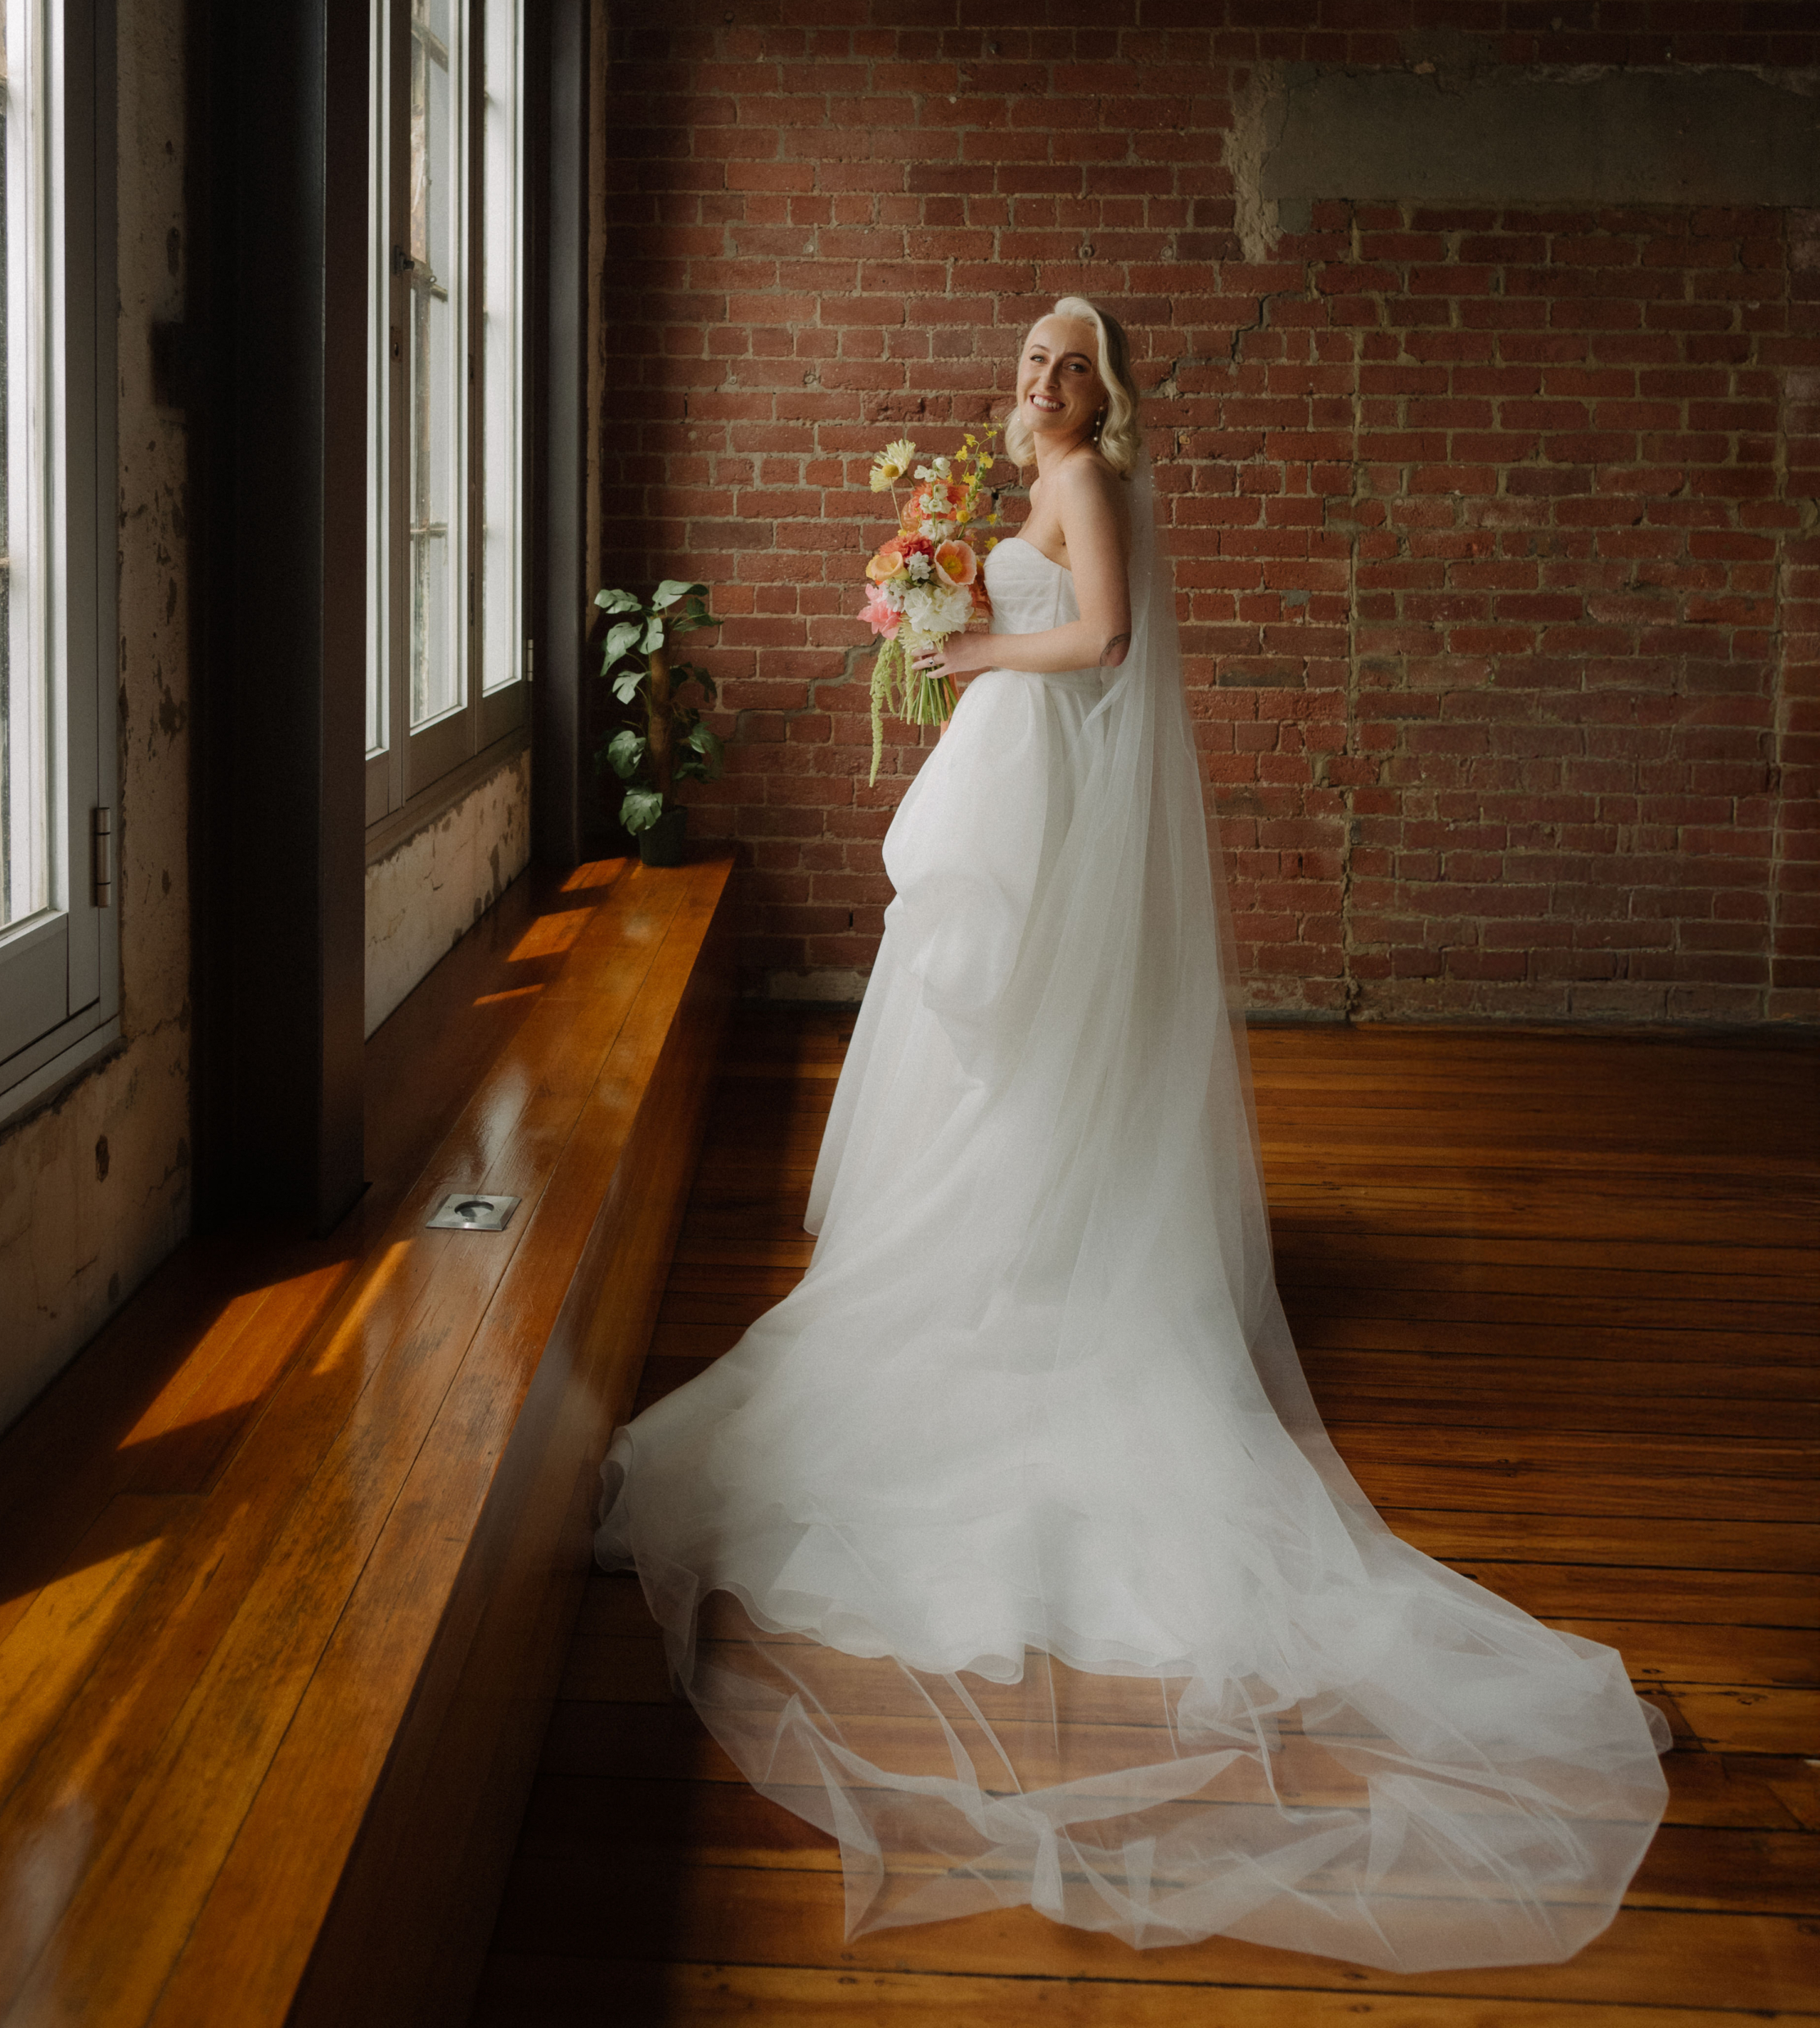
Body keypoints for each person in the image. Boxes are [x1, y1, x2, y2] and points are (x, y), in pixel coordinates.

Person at [595, 296, 1669, 1967]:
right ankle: (1008, 1234)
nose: (1046, 385)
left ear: (1107, 391)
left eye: (1071, 367)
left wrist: (964, 646)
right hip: (1023, 787)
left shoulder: (1092, 484)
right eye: (1032, 363)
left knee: (1025, 1056)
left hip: (1048, 782)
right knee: (993, 1057)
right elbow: (1044, 627)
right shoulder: (1026, 477)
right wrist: (936, 601)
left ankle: (1032, 1256)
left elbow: (1095, 643)